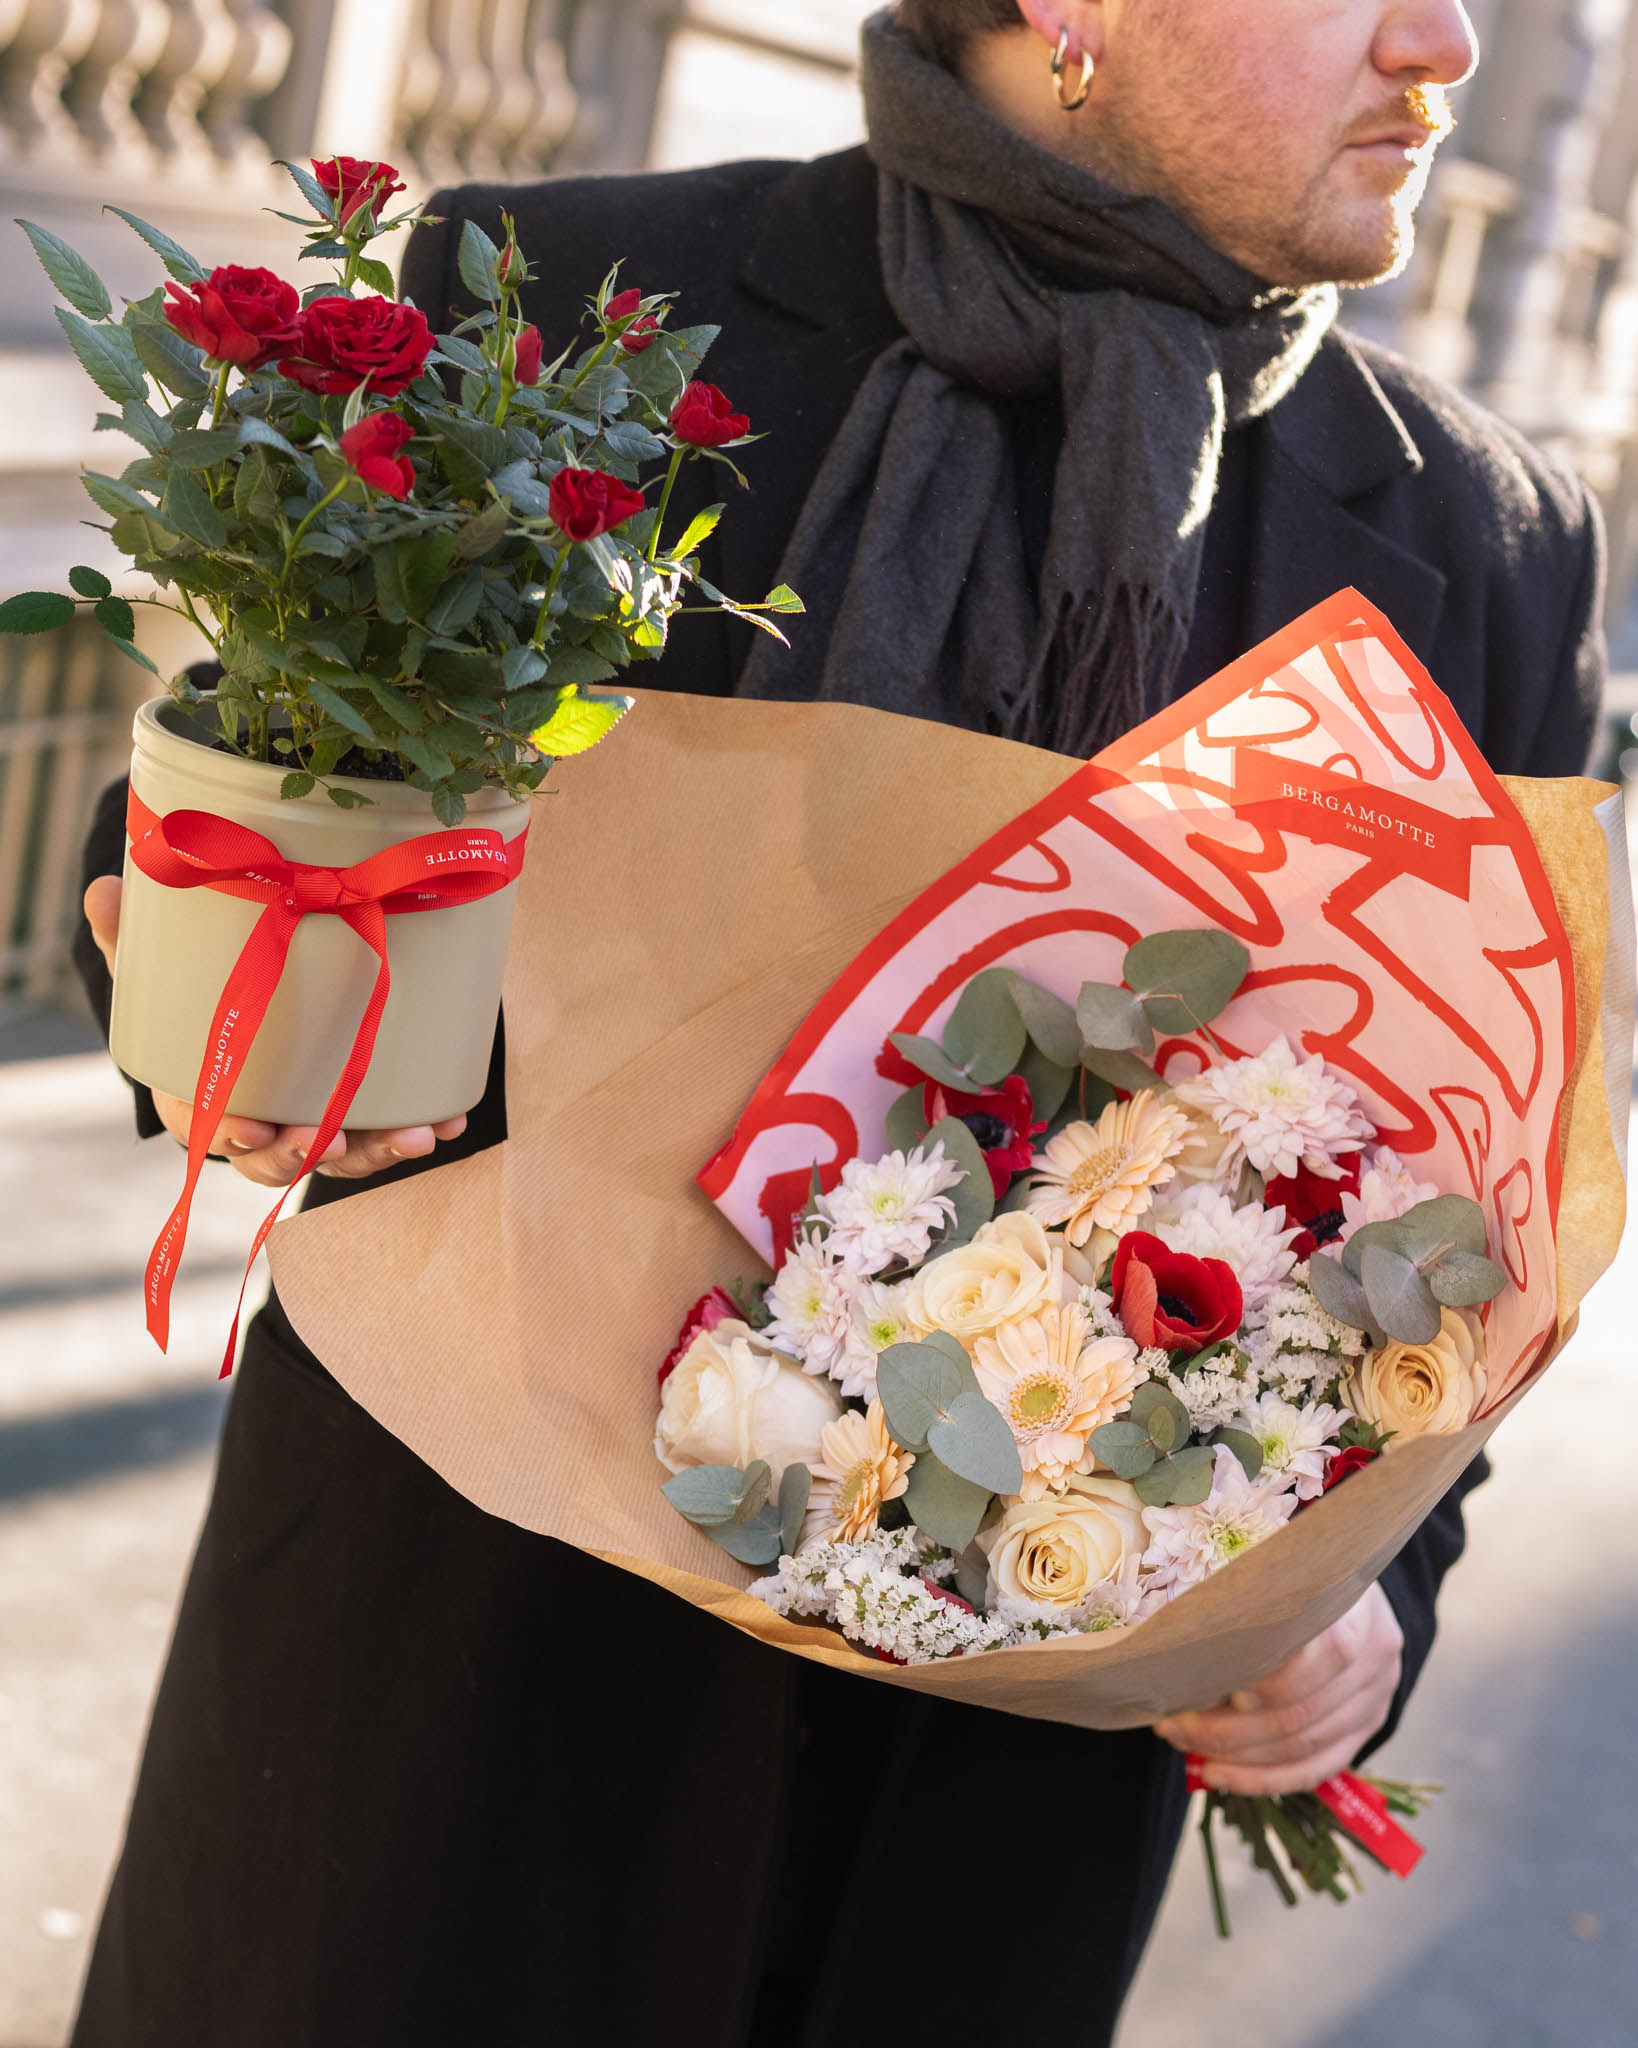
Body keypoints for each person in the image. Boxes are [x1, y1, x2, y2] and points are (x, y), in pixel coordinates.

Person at [69, 3, 1604, 2043]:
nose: (1449, 46)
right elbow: (254, 820)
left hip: (985, 1832)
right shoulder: (575, 304)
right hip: (454, 1713)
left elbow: (1468, 1207)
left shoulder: (1491, 546)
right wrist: (262, 1033)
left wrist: (1363, 1613)